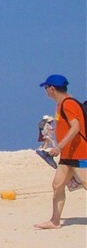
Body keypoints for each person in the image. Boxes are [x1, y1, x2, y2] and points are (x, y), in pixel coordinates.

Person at [38, 74, 87, 230]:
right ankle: (55, 221)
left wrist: (59, 146)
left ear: (52, 89)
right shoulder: (61, 105)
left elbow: (76, 127)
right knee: (57, 185)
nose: (45, 91)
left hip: (80, 153)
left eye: (46, 88)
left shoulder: (68, 104)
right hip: (67, 155)